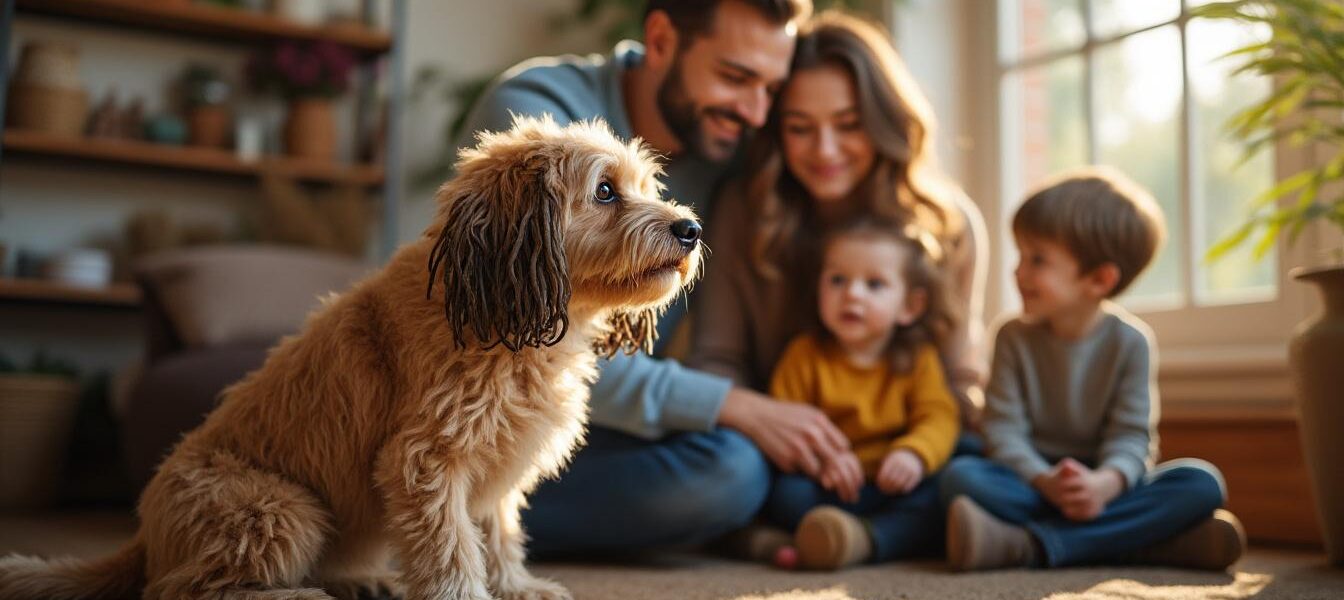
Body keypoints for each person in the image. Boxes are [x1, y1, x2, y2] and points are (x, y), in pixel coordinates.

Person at [452, 0, 850, 556]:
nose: (757, 113)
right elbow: (522, 338)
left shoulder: (729, 144)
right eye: (735, 77)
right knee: (734, 473)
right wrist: (737, 405)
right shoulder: (539, 117)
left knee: (753, 467)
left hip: (606, 424)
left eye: (770, 89)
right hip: (487, 416)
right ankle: (445, 515)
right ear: (660, 40)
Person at [938, 167, 1247, 571]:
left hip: (1105, 487)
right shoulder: (1012, 336)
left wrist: (1104, 484)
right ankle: (1146, 546)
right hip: (1031, 481)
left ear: (1099, 279)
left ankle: (1028, 546)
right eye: (1020, 256)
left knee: (1201, 483)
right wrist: (1045, 480)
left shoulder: (1131, 343)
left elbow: (1132, 438)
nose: (1018, 272)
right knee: (961, 475)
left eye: (1037, 260)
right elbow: (1002, 431)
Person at [761, 218, 961, 570]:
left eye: (875, 284)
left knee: (952, 482)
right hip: (830, 486)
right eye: (837, 280)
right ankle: (823, 536)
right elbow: (785, 424)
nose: (852, 294)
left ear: (909, 307)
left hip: (893, 483)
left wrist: (914, 454)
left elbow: (939, 416)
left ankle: (863, 540)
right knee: (786, 495)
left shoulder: (918, 359)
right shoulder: (804, 355)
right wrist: (825, 461)